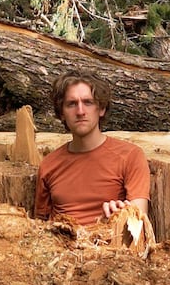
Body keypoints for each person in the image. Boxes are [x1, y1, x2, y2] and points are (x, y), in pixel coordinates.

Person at [34, 73, 150, 227]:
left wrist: (119, 216)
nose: (80, 111)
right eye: (72, 104)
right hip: (61, 246)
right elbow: (38, 227)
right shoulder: (49, 165)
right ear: (62, 113)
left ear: (101, 108)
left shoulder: (130, 156)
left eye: (88, 102)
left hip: (112, 246)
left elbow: (139, 221)